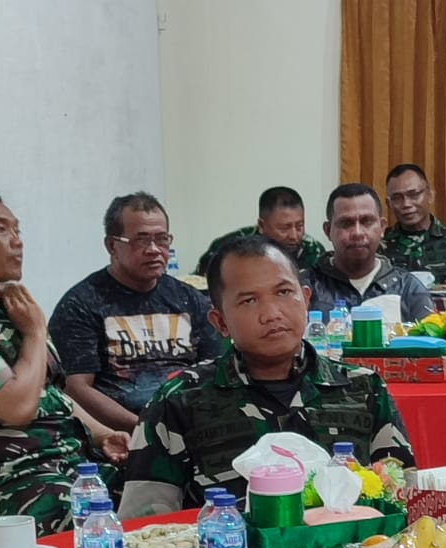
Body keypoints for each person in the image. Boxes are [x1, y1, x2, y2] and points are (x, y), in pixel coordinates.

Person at [120, 235, 416, 515]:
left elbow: (405, 500)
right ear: (220, 322)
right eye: (249, 301)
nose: (272, 313)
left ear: (306, 299)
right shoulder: (179, 400)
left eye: (284, 292)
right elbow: (146, 524)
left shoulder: (363, 387)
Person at [0, 188, 130, 534]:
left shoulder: (11, 310)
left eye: (17, 230)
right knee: (99, 519)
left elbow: (52, 394)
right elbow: (17, 407)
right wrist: (35, 333)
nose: (17, 241)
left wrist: (102, 435)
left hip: (72, 467)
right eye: (0, 229)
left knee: (167, 479)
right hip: (17, 483)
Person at [50, 191, 224, 432]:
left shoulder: (191, 299)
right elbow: (76, 389)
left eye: (162, 239)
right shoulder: (80, 304)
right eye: (141, 240)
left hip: (190, 426)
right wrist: (146, 429)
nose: (154, 249)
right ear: (112, 246)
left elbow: (214, 371)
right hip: (120, 433)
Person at [300, 183, 435, 321]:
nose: (358, 233)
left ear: (382, 227)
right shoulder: (304, 286)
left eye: (367, 221)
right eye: (346, 223)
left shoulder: (409, 289)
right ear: (328, 231)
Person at [378, 163, 446, 287]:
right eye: (397, 198)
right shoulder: (380, 244)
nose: (406, 204)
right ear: (388, 204)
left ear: (430, 196)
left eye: (414, 195)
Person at [195, 186, 327, 276]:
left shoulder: (313, 251)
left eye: (299, 226)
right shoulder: (228, 249)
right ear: (262, 226)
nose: (294, 236)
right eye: (284, 228)